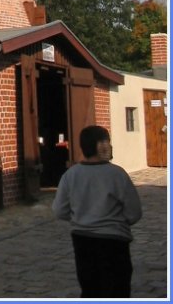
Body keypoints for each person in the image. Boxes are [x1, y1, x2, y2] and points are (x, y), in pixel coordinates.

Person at [52, 124, 143, 298]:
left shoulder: (71, 175)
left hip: (82, 240)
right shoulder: (117, 174)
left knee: (90, 288)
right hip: (114, 241)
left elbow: (59, 210)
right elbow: (134, 212)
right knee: (117, 289)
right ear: (102, 145)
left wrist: (80, 217)